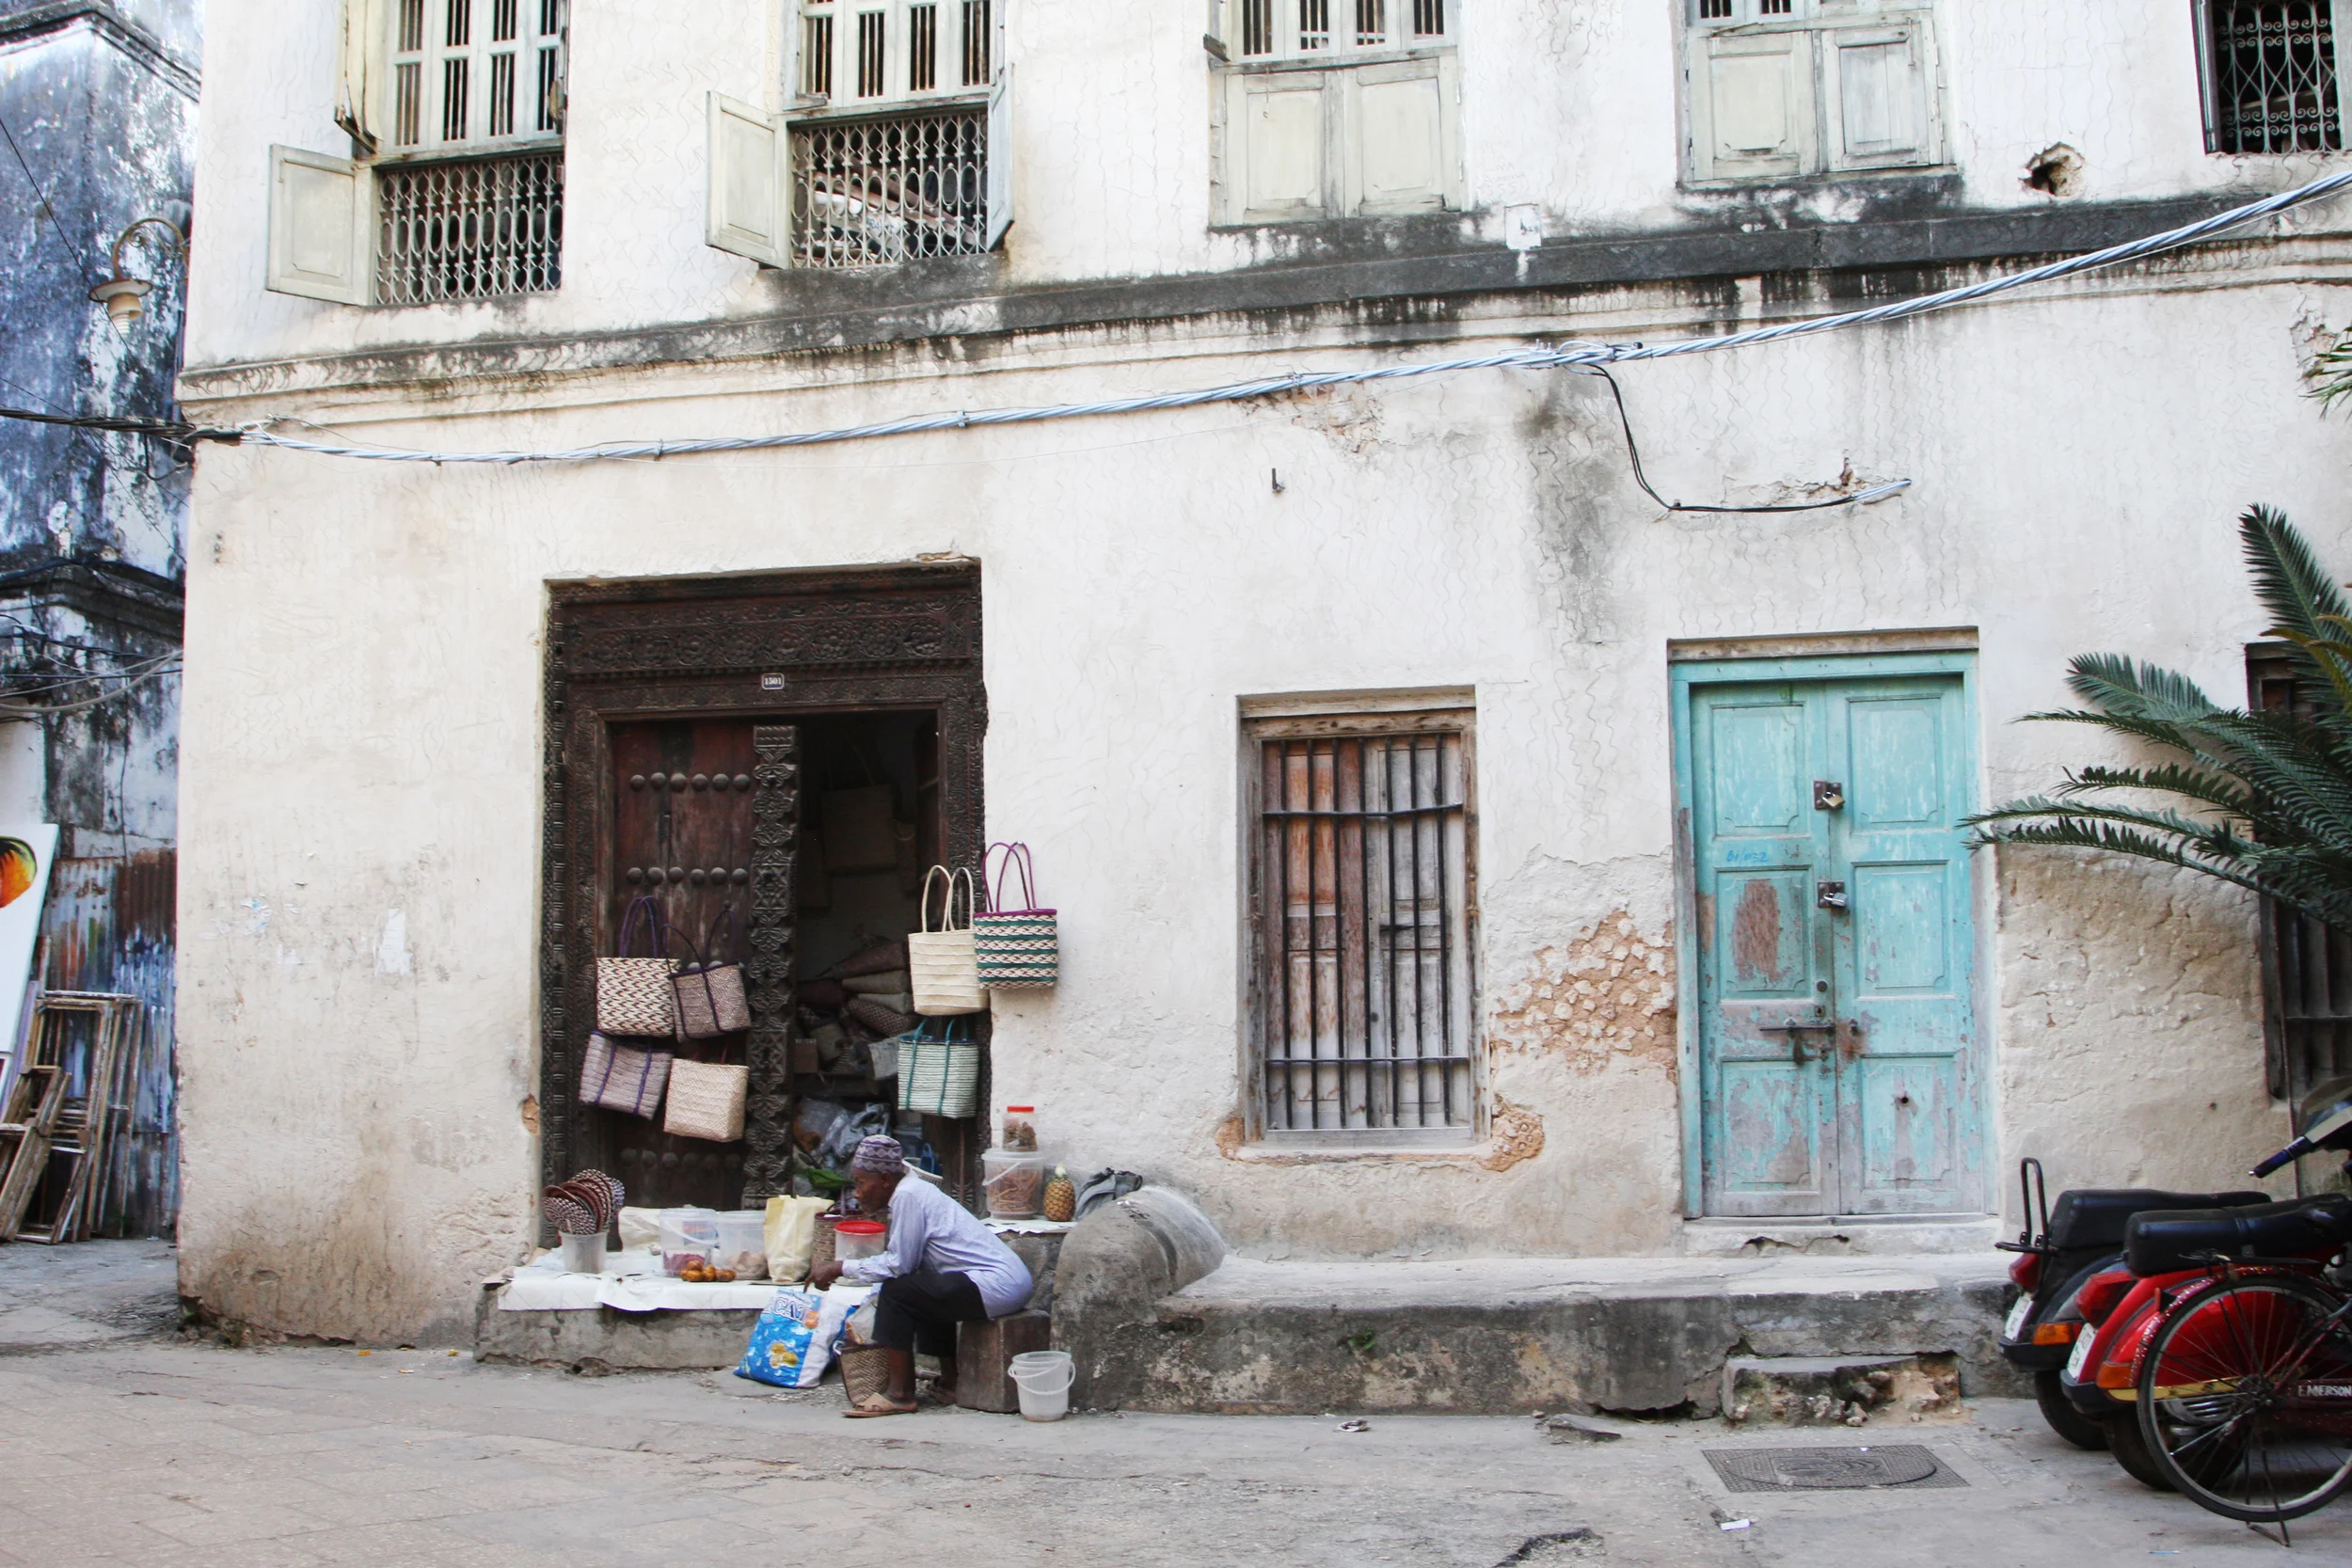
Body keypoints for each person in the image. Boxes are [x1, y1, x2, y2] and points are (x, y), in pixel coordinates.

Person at [811, 1133, 1034, 1418]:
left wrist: (840, 1267)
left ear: (884, 1180)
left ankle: (900, 1394)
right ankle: (951, 1382)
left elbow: (898, 1265)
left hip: (999, 1284)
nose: (857, 1192)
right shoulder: (910, 1191)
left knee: (899, 1291)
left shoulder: (907, 1195)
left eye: (860, 1182)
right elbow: (911, 1265)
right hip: (999, 1282)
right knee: (921, 1286)